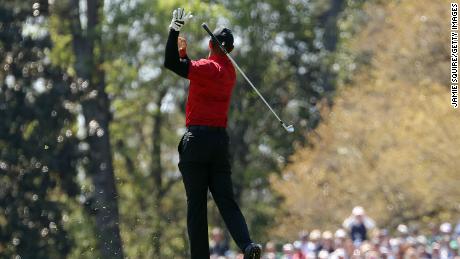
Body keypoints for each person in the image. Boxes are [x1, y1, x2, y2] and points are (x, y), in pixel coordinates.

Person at [163, 7, 262, 259]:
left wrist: (174, 31)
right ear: (230, 50)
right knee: (226, 200)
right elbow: (192, 68)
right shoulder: (229, 73)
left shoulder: (207, 67)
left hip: (196, 143)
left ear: (210, 43)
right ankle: (248, 245)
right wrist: (184, 54)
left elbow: (171, 64)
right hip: (219, 143)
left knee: (196, 206)